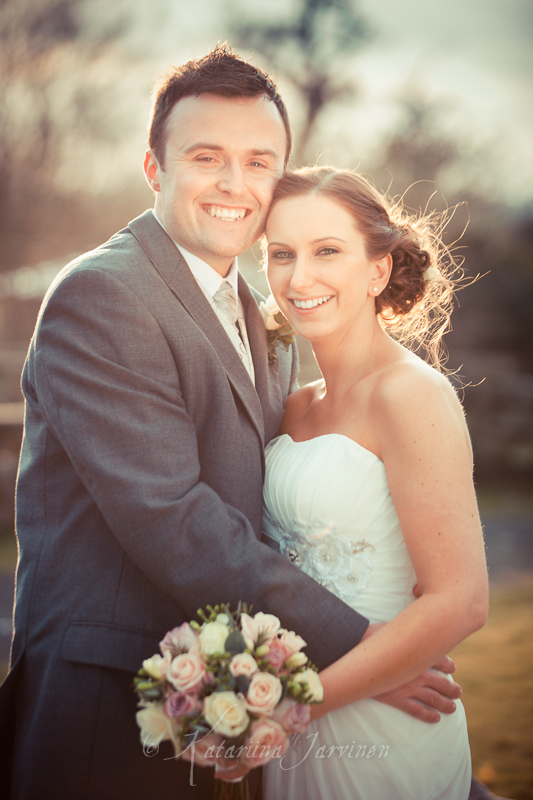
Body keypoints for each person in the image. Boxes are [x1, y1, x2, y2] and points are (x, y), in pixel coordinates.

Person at [0, 45, 482, 799]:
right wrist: (365, 649)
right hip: (112, 702)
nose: (234, 184)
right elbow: (172, 516)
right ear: (154, 168)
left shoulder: (260, 317)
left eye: (259, 162)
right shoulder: (105, 294)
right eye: (206, 157)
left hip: (250, 703)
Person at [262, 166, 489, 799]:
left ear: (378, 270)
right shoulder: (293, 406)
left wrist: (291, 707)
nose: (299, 278)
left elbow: (462, 600)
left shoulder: (411, 394)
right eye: (282, 254)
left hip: (379, 730)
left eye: (327, 251)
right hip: (295, 733)